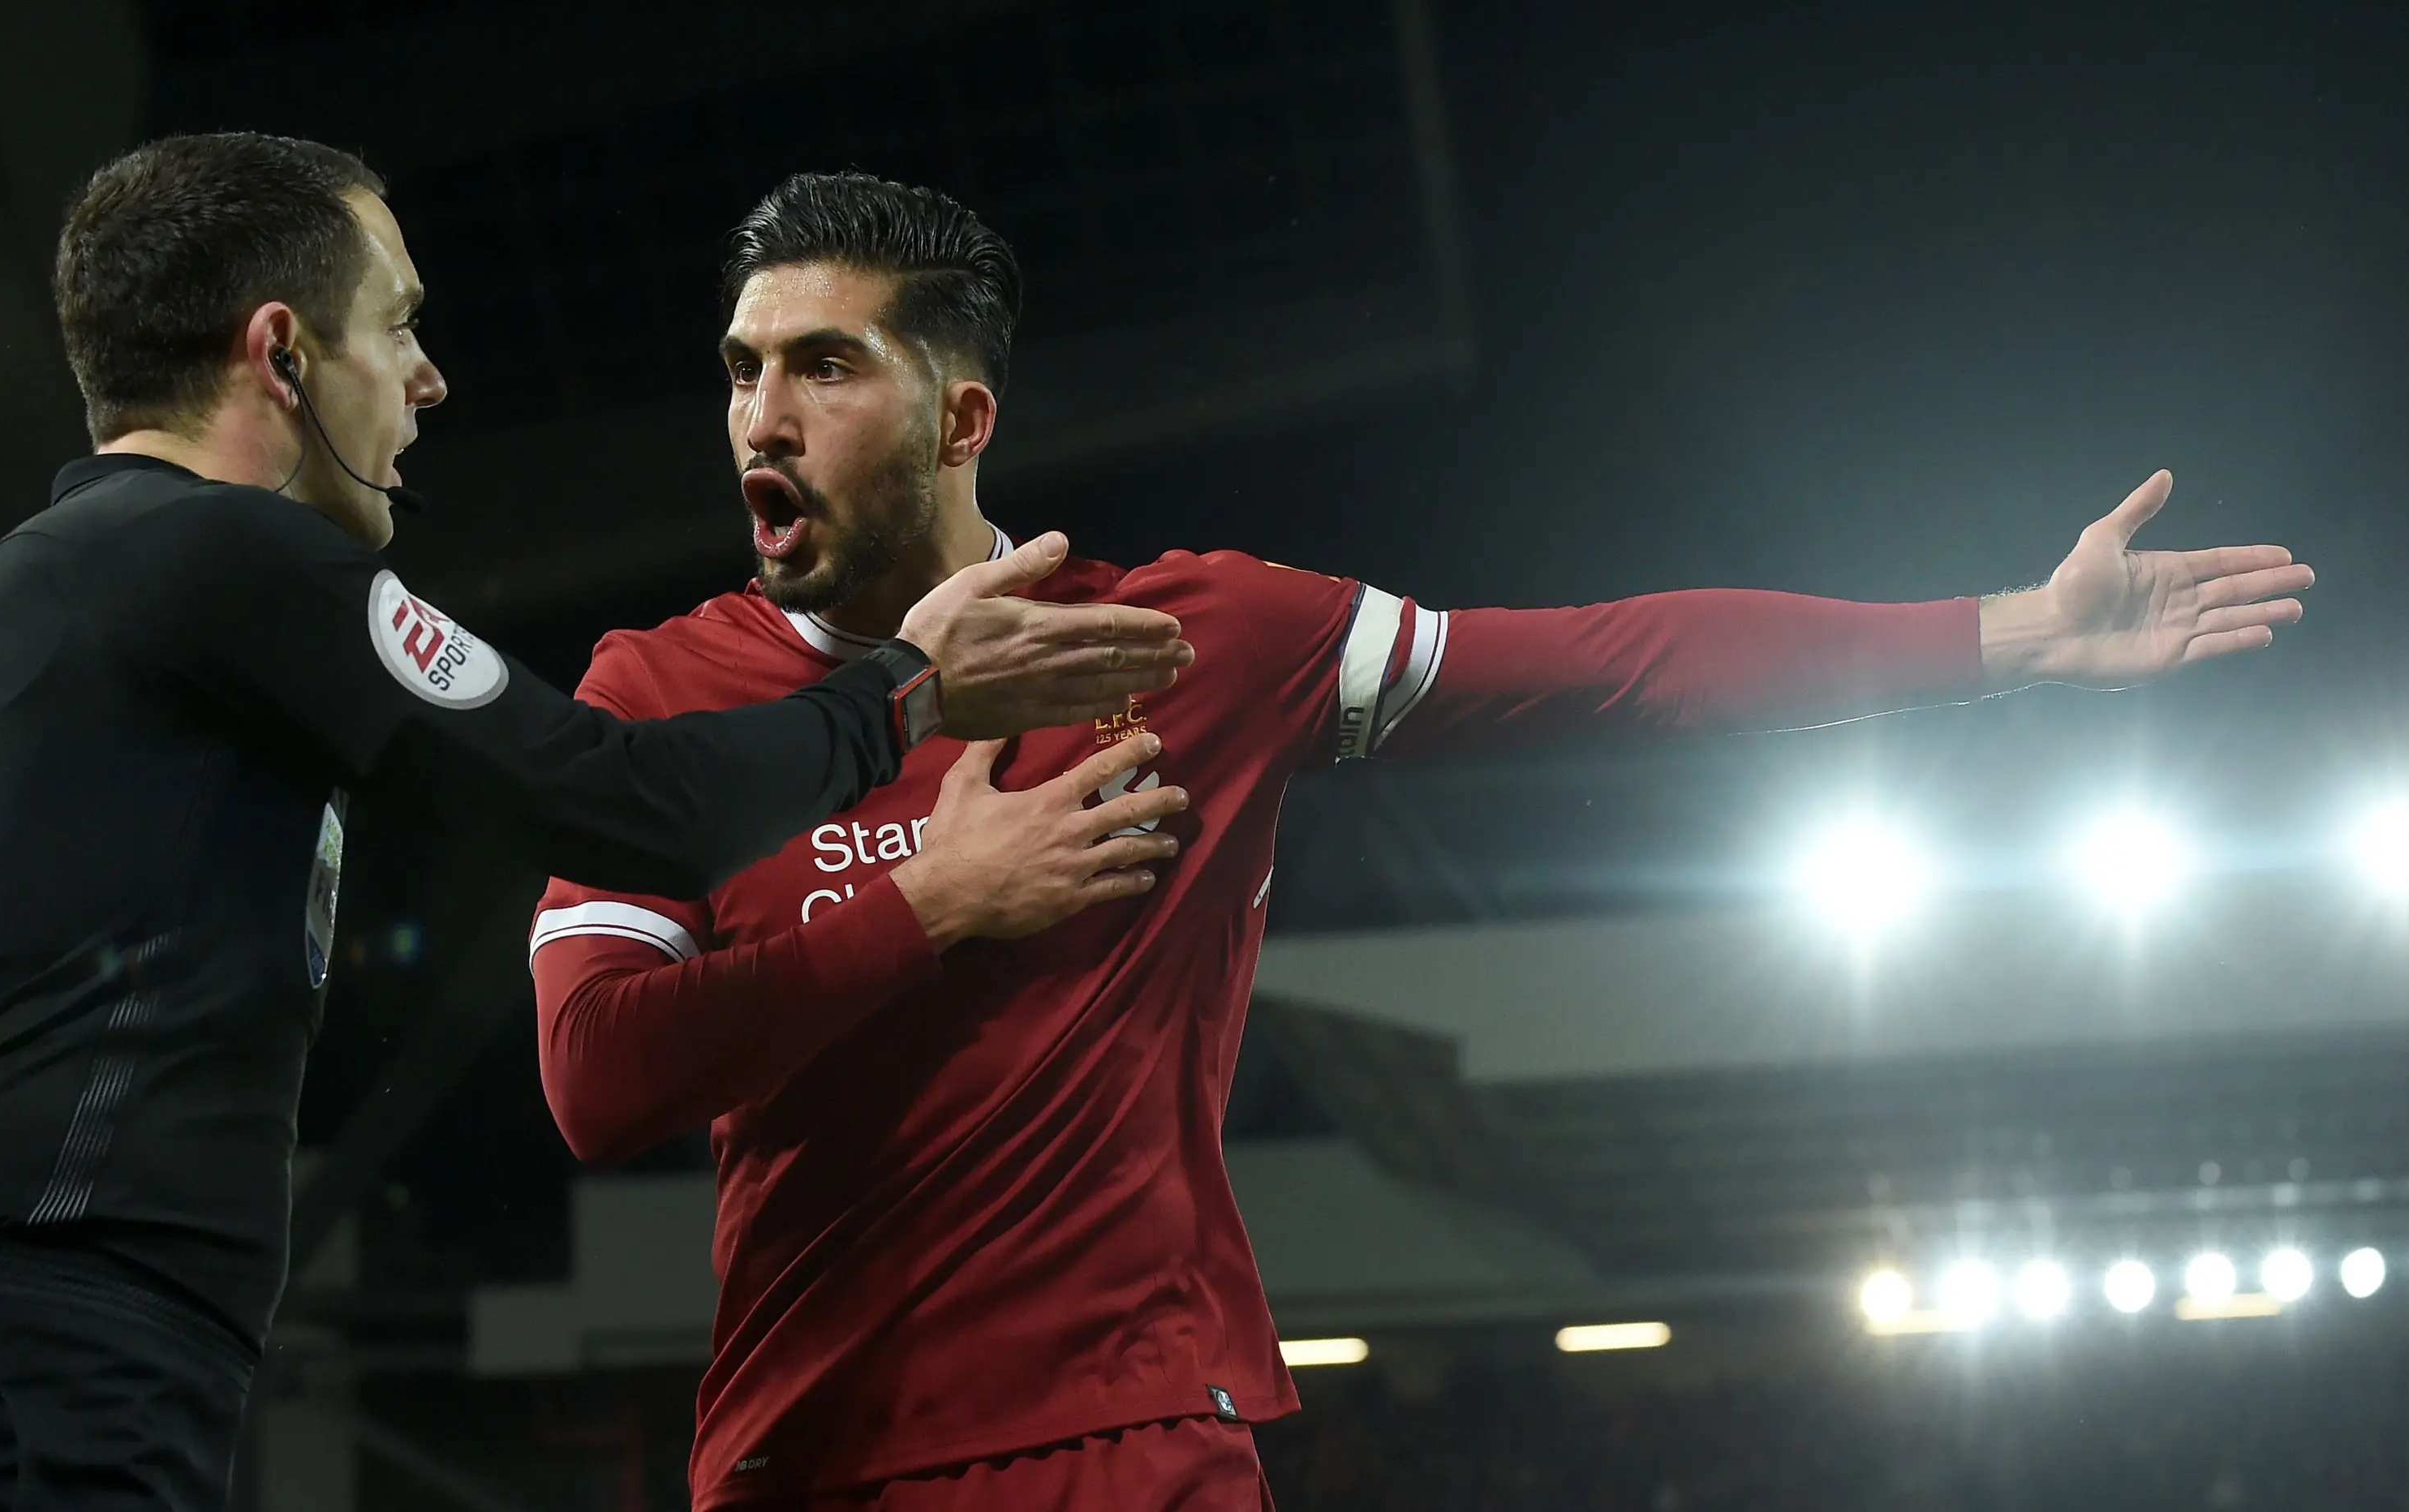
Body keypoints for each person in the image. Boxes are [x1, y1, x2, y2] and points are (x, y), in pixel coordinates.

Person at [528, 172, 2314, 1511]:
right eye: (743, 368)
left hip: (1129, 1436)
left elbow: (1612, 662)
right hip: (794, 1452)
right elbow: (597, 1081)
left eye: (822, 367)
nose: (760, 417)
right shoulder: (655, 693)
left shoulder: (1197, 639)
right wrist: (934, 899)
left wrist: (2008, 632)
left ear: (959, 415)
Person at [0, 137, 1194, 1512]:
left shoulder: (48, 605)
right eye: (396, 326)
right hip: (40, 1360)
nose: (429, 377)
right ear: (282, 354)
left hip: (3, 1352)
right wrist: (909, 691)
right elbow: (629, 802)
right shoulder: (225, 553)